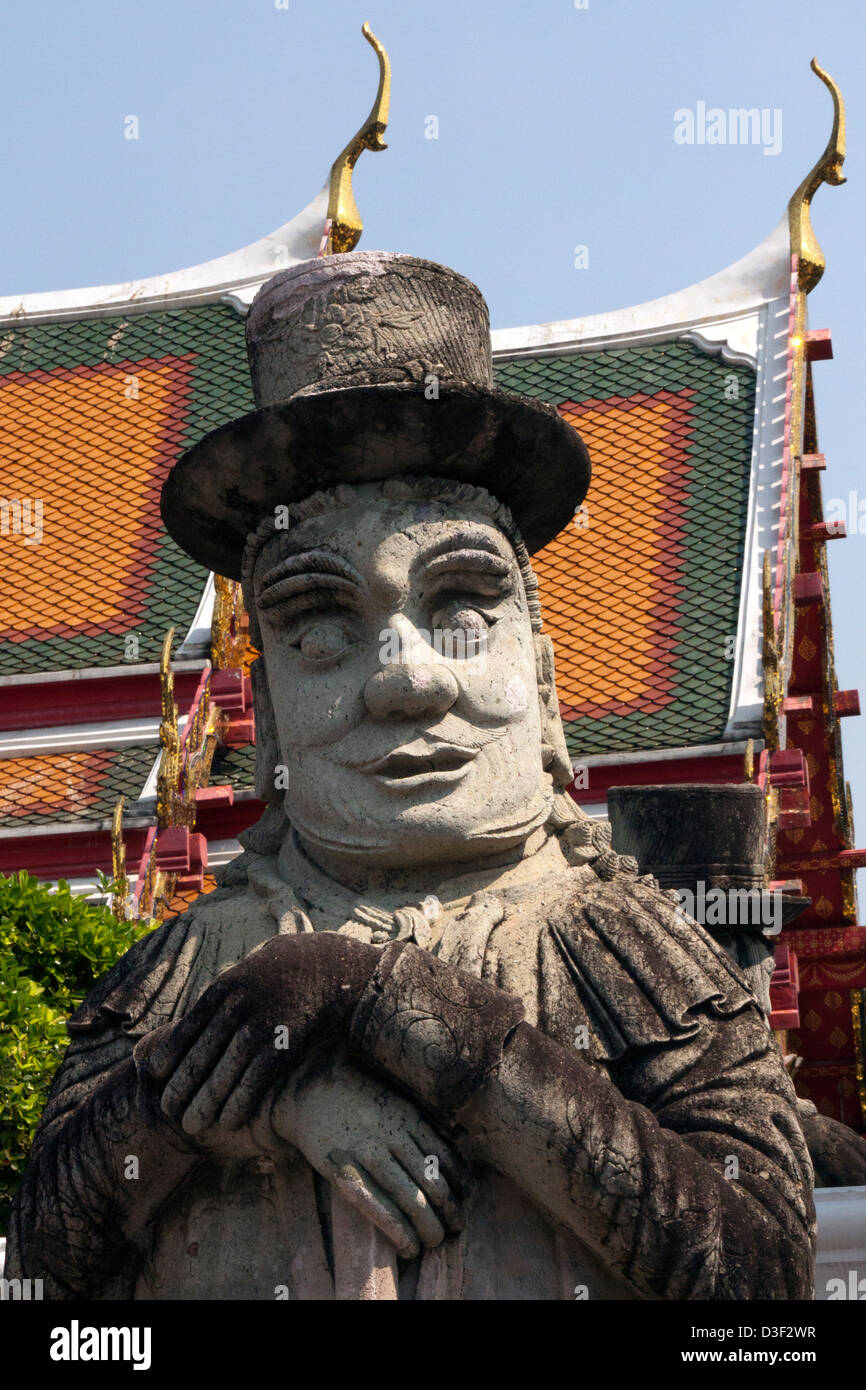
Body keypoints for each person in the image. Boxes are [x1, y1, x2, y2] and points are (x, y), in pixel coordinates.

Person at [7, 253, 815, 1300]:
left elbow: (757, 1290)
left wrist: (383, 1000)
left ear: (540, 663)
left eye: (463, 612)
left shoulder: (622, 949)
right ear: (269, 709)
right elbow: (41, 1278)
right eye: (321, 630)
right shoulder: (184, 972)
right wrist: (240, 1088)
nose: (404, 681)